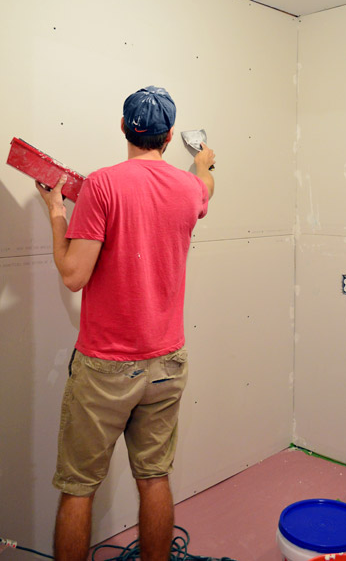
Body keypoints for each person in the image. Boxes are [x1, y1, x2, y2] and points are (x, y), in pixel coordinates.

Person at [36, 85, 215, 561]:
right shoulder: (189, 187)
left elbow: (74, 275)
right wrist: (203, 162)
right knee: (154, 477)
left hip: (107, 368)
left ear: (123, 127)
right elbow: (205, 190)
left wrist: (57, 213)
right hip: (168, 362)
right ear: (169, 134)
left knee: (78, 488)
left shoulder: (103, 184)